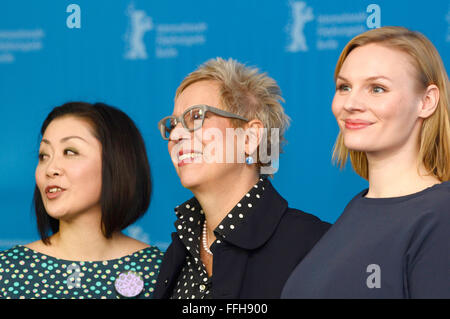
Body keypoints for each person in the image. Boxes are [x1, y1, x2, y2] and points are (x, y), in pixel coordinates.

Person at [282, 26, 450, 298]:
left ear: (427, 101)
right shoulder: (359, 208)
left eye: (377, 88)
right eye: (344, 87)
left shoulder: (441, 216)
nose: (351, 103)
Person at [153, 58, 330, 299]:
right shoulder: (180, 250)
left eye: (196, 117)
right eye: (172, 124)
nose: (176, 134)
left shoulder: (314, 245)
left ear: (249, 138)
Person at [0, 102, 163, 299]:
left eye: (70, 152)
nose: (50, 169)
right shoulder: (8, 271)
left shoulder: (162, 272)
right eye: (44, 155)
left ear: (116, 163)